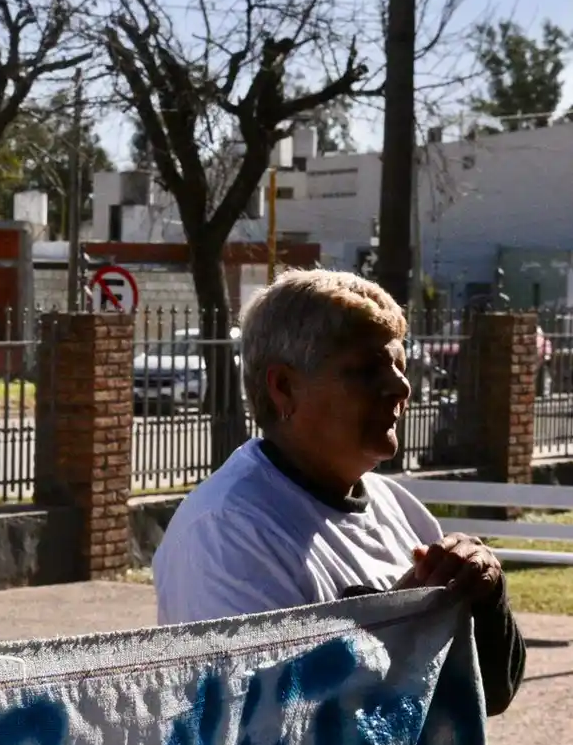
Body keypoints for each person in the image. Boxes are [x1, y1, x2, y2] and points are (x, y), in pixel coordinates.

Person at [154, 269, 524, 716]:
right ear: (284, 387)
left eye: (400, 365)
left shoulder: (401, 510)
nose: (401, 387)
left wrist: (485, 593)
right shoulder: (227, 531)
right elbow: (264, 725)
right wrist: (400, 621)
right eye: (367, 370)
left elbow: (488, 695)